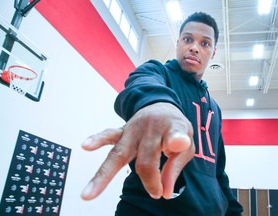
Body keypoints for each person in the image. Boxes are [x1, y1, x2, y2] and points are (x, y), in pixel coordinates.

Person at [81, 12, 243, 215]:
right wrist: (158, 104)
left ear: (213, 52)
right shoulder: (158, 73)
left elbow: (218, 172)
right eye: (188, 39)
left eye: (205, 43)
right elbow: (142, 82)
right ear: (177, 43)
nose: (194, 47)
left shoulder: (214, 108)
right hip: (147, 208)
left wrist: (234, 210)